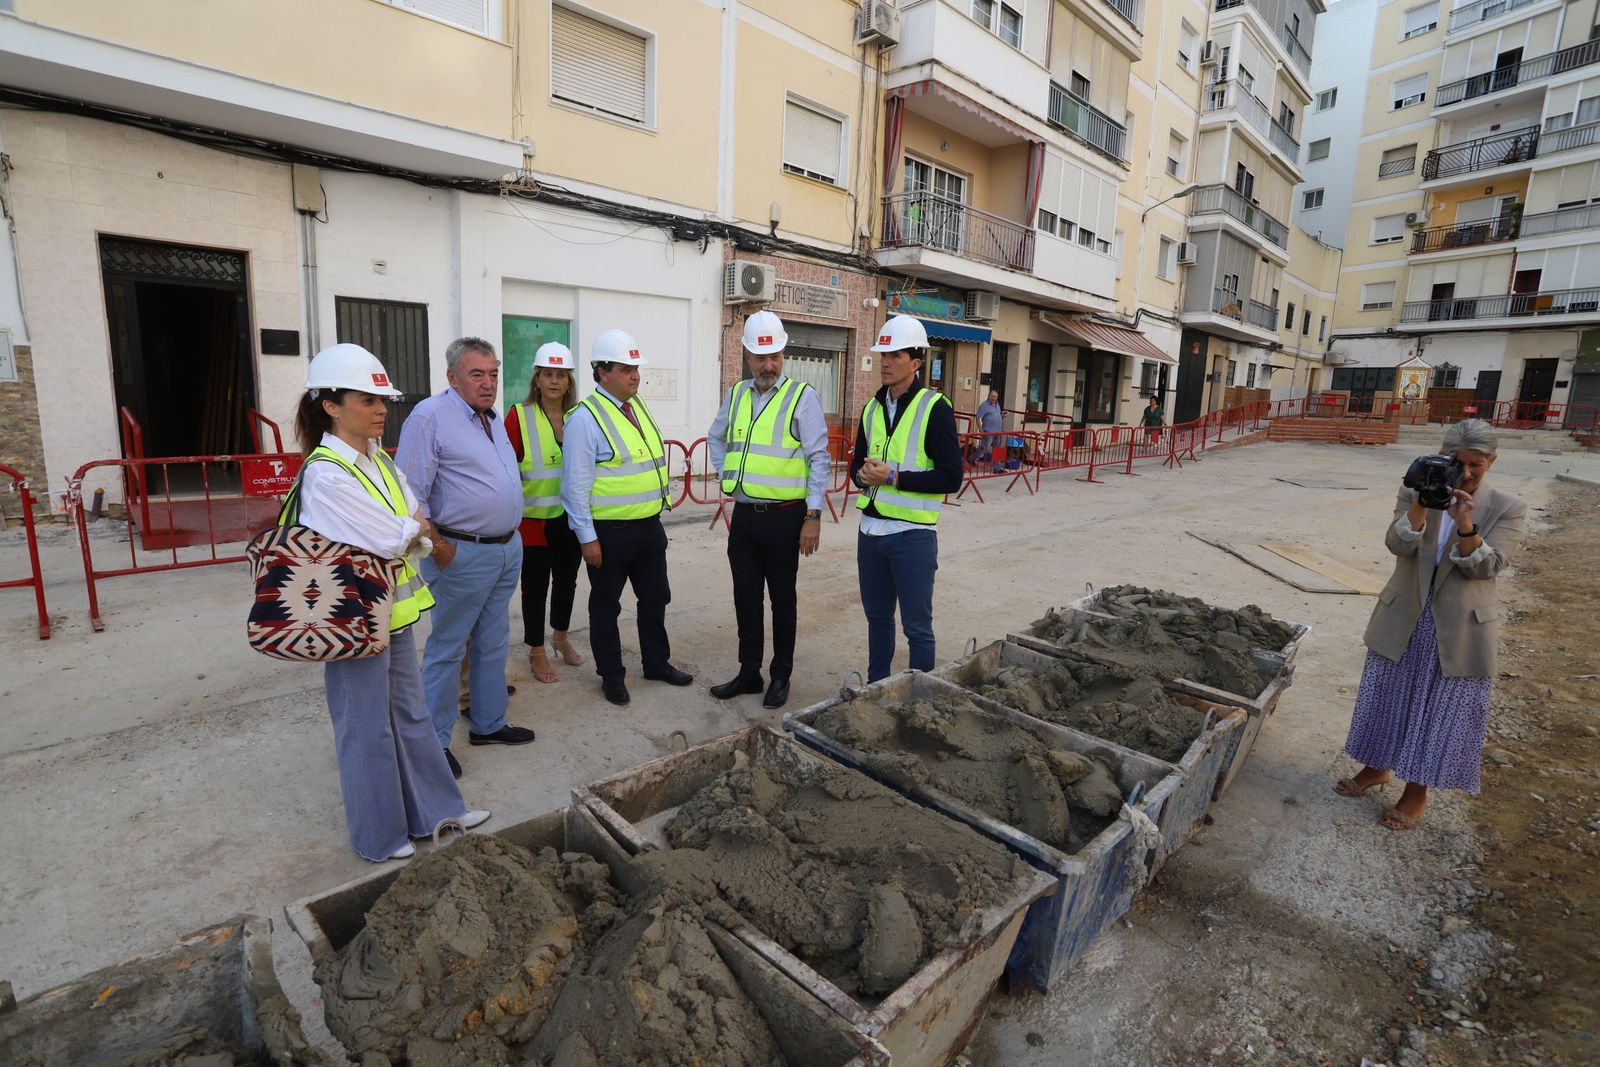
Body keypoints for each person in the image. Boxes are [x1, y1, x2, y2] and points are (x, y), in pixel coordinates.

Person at [287, 343, 488, 861]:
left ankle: (438, 813)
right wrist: (413, 529)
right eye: (368, 400)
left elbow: (412, 524)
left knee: (411, 714)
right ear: (331, 405)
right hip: (350, 624)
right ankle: (379, 836)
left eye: (384, 401)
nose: (381, 410)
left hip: (389, 616)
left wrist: (412, 529)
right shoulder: (326, 472)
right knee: (365, 727)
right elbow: (393, 533)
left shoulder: (378, 461)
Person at [1335, 419, 1528, 829]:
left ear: (1492, 461)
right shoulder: (1417, 489)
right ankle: (1376, 767)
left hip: (1459, 627)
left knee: (1437, 711)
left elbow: (1488, 568)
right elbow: (1398, 544)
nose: (1467, 473)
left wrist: (1464, 524)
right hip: (1405, 614)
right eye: (1458, 463)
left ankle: (1416, 792)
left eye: (1476, 464)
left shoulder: (1508, 507)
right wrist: (1422, 501)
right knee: (1388, 697)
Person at [395, 336, 535, 779]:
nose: (489, 382)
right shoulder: (430, 417)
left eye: (494, 373)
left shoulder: (490, 418)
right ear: (452, 377)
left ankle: (489, 723)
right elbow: (411, 494)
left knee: (494, 641)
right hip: (460, 552)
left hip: (504, 549)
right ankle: (434, 741)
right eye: (477, 374)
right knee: (447, 649)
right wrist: (440, 549)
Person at [705, 310, 831, 710]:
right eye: (760, 357)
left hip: (785, 517)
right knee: (746, 598)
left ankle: (781, 675)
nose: (768, 365)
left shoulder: (802, 396)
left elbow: (819, 459)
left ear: (783, 352)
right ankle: (748, 673)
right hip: (743, 518)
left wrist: (813, 516)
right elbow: (715, 436)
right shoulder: (737, 394)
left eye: (774, 356)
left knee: (782, 600)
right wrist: (725, 473)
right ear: (745, 354)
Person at [561, 328, 693, 706]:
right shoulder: (585, 419)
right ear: (602, 372)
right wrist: (586, 537)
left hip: (649, 528)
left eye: (636, 367)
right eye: (625, 368)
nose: (635, 375)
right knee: (606, 606)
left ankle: (656, 663)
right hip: (610, 533)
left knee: (655, 599)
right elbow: (575, 487)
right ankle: (612, 677)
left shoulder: (637, 407)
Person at [850, 315, 963, 683]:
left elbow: (952, 477)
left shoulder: (935, 409)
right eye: (883, 353)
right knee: (877, 620)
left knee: (917, 627)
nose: (885, 361)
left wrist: (894, 476)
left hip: (912, 535)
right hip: (870, 533)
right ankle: (876, 687)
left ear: (916, 362)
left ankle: (919, 696)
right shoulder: (871, 407)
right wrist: (862, 476)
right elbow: (855, 469)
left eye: (894, 355)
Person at [507, 342, 586, 684]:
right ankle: (537, 650)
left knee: (567, 582)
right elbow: (506, 471)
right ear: (536, 379)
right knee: (536, 587)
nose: (554, 381)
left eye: (561, 375)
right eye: (547, 374)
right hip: (534, 522)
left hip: (570, 520)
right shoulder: (518, 415)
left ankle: (561, 637)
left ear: (569, 381)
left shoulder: (580, 416)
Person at [976, 388, 1005, 473]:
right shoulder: (984, 405)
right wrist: (980, 429)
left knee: (997, 449)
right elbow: (978, 418)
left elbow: (996, 416)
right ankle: (971, 458)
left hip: (998, 431)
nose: (993, 398)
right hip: (988, 431)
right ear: (989, 396)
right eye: (992, 396)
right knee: (984, 448)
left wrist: (1002, 416)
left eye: (995, 396)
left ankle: (997, 468)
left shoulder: (997, 404)